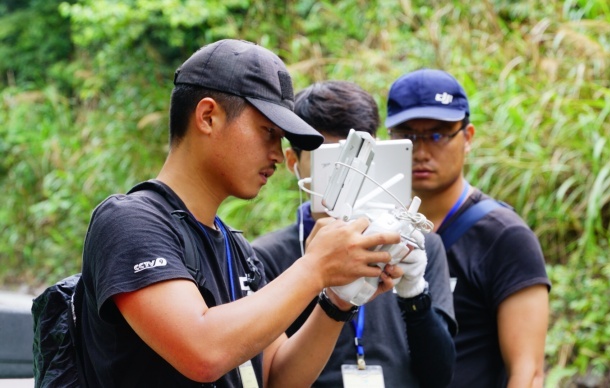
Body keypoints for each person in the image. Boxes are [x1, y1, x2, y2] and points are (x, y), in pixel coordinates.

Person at [78, 39, 405, 387]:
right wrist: (316, 267)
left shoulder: (239, 251)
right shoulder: (130, 222)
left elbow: (277, 377)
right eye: (268, 133)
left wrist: (338, 300)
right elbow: (202, 351)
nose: (278, 156)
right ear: (208, 117)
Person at [251, 80, 457, 388]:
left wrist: (415, 295)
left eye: (359, 157)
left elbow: (440, 376)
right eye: (330, 160)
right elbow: (269, 377)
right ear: (293, 162)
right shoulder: (265, 257)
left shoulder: (416, 246)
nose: (347, 175)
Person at [385, 69, 552, 387]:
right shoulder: (377, 230)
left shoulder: (504, 237)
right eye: (409, 137)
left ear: (468, 137)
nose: (421, 152)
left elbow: (527, 374)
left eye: (438, 135)